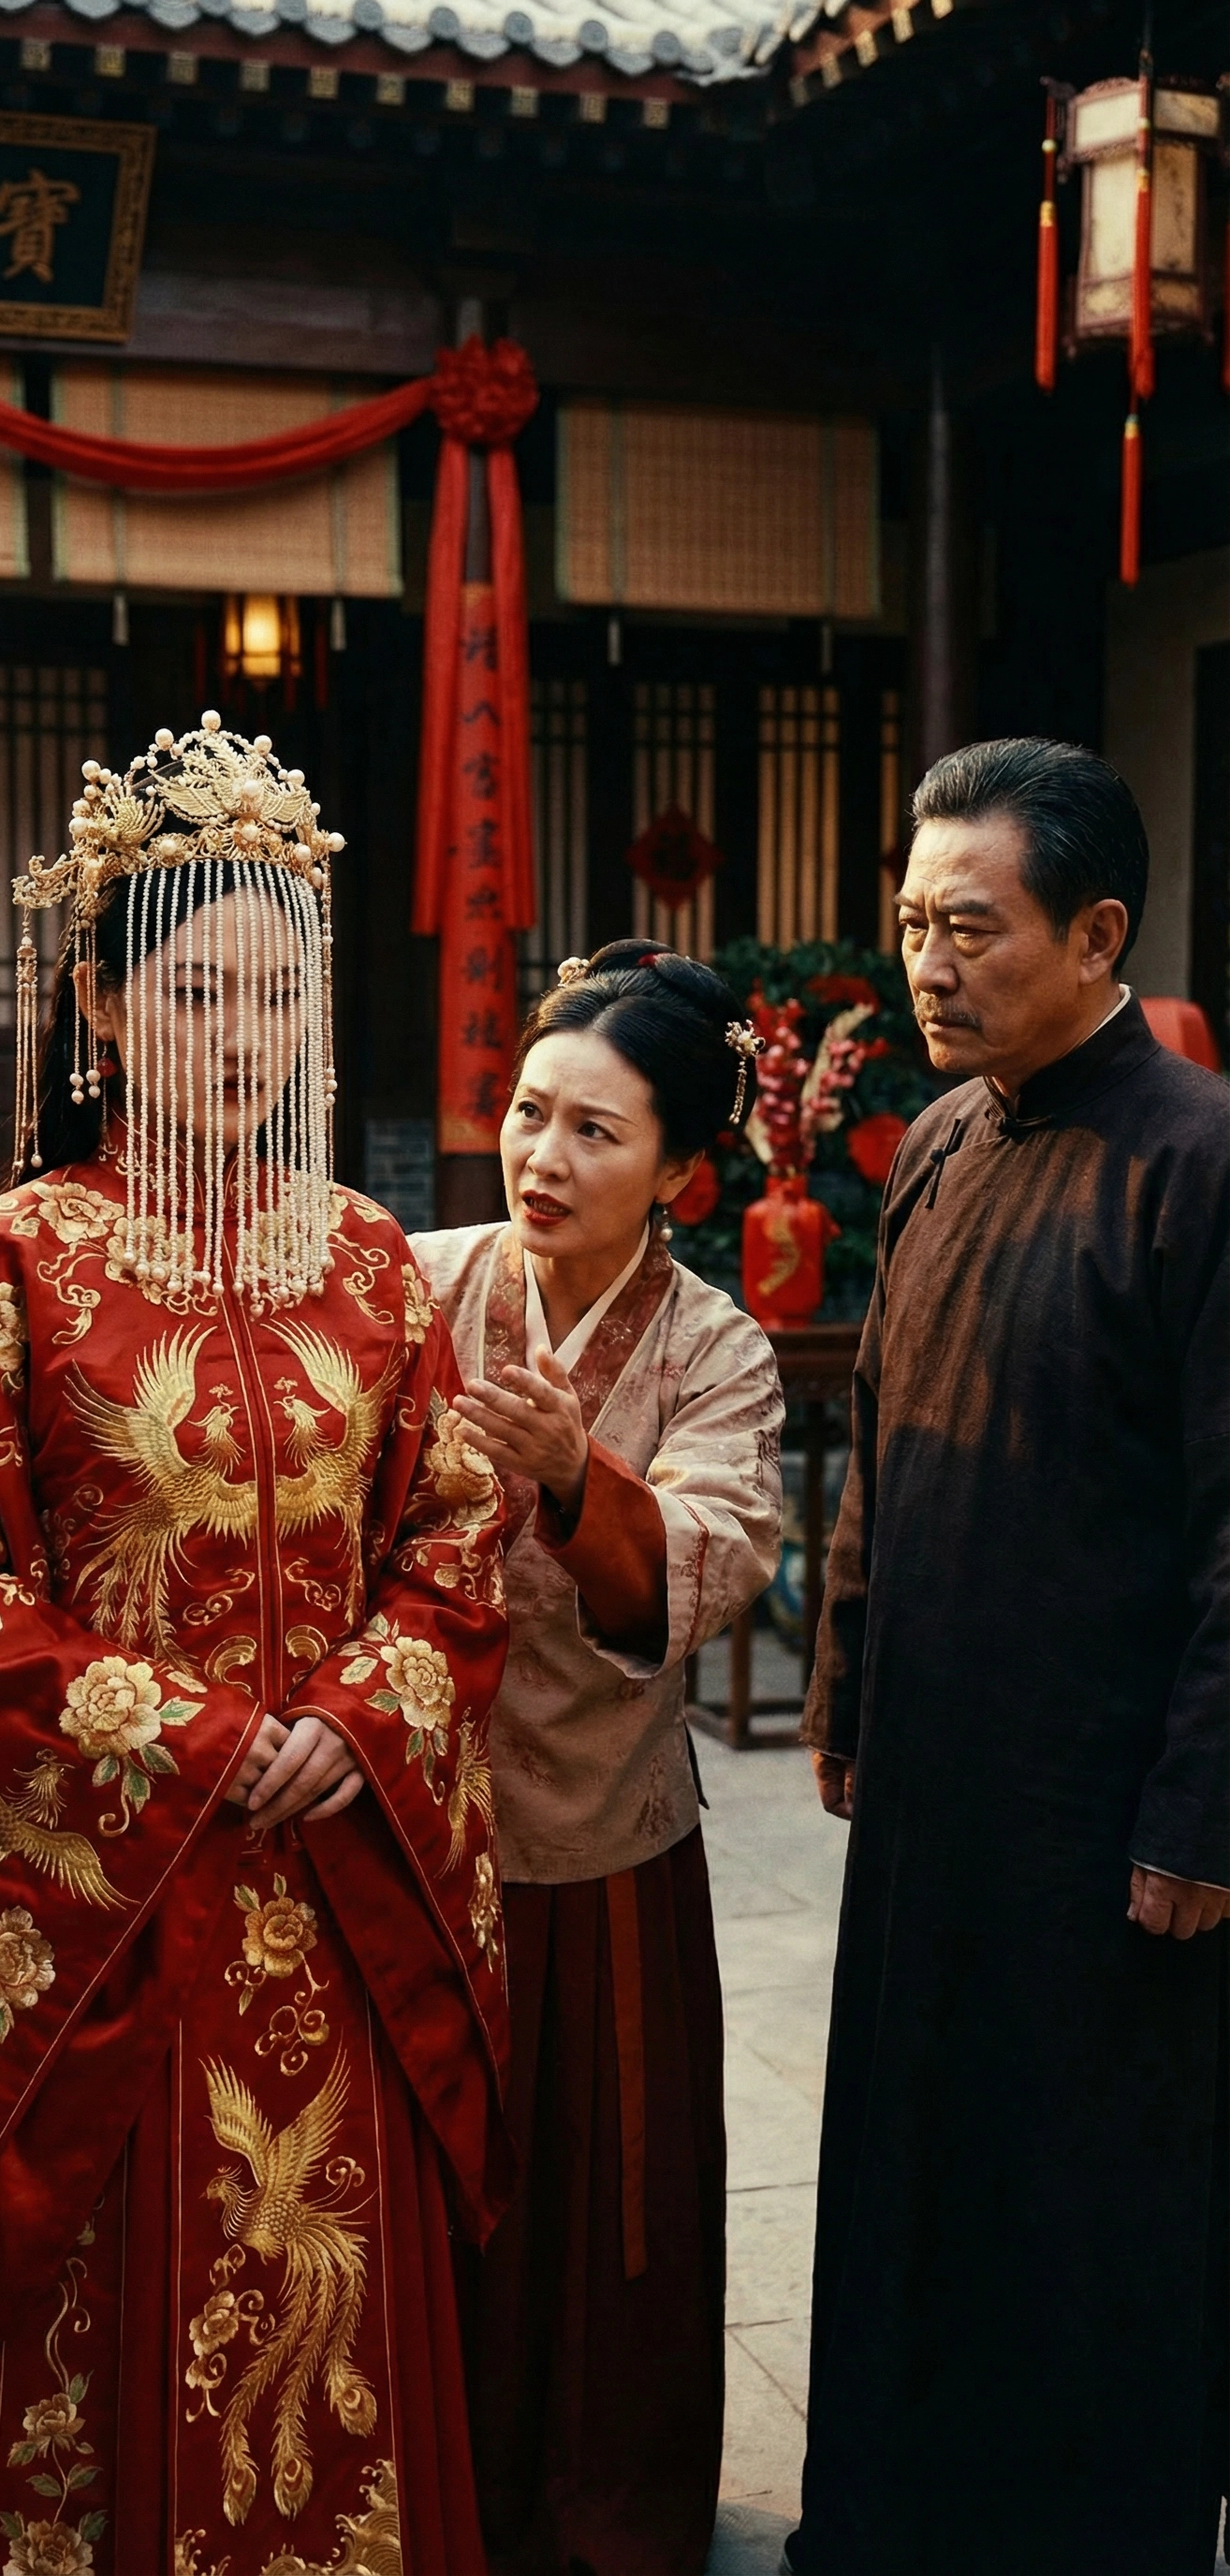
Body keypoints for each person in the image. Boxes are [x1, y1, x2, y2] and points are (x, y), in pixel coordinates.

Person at [0, 713, 513, 2576]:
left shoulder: (371, 1260)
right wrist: (185, 1733)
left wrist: (363, 1709)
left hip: (338, 1889)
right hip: (117, 1919)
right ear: (101, 1005)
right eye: (196, 994)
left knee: (332, 2315)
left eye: (276, 998)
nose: (242, 1039)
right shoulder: (8, 1265)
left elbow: (456, 1529)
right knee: (115, 2319)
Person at [789, 739, 1229, 2576]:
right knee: (918, 2164)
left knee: (1092, 2206)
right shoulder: (944, 1141)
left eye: (971, 927)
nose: (928, 965)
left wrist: (1202, 1810)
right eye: (913, 924)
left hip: (1104, 1807)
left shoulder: (1198, 1158)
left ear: (1098, 932)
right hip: (938, 1786)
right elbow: (883, 1442)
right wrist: (846, 1680)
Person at [410, 940, 784, 2576]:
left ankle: (598, 2515)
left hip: (604, 1843)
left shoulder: (716, 1351)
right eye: (528, 1112)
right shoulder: (411, 1285)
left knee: (601, 2207)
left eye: (595, 1131)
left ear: (680, 1172)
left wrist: (580, 1479)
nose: (542, 1157)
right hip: (416, 1827)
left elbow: (715, 1553)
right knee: (422, 2182)